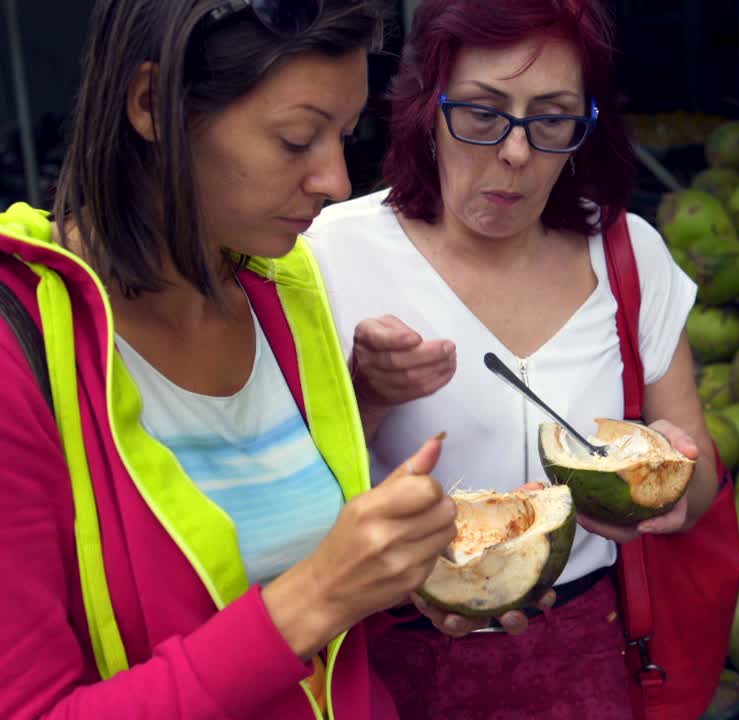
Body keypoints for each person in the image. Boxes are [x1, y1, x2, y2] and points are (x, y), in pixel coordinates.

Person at [0, 1, 466, 718]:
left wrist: (402, 578)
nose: (337, 181)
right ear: (152, 104)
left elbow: (284, 551)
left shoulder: (283, 286)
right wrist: (322, 593)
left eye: (344, 137)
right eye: (296, 139)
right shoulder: (18, 352)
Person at [305, 0, 727, 717]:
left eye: (552, 118)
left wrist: (667, 487)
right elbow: (278, 504)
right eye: (482, 112)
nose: (516, 153)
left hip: (589, 652)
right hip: (389, 656)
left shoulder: (629, 256)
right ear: (426, 109)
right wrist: (365, 396)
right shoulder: (323, 255)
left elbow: (704, 477)